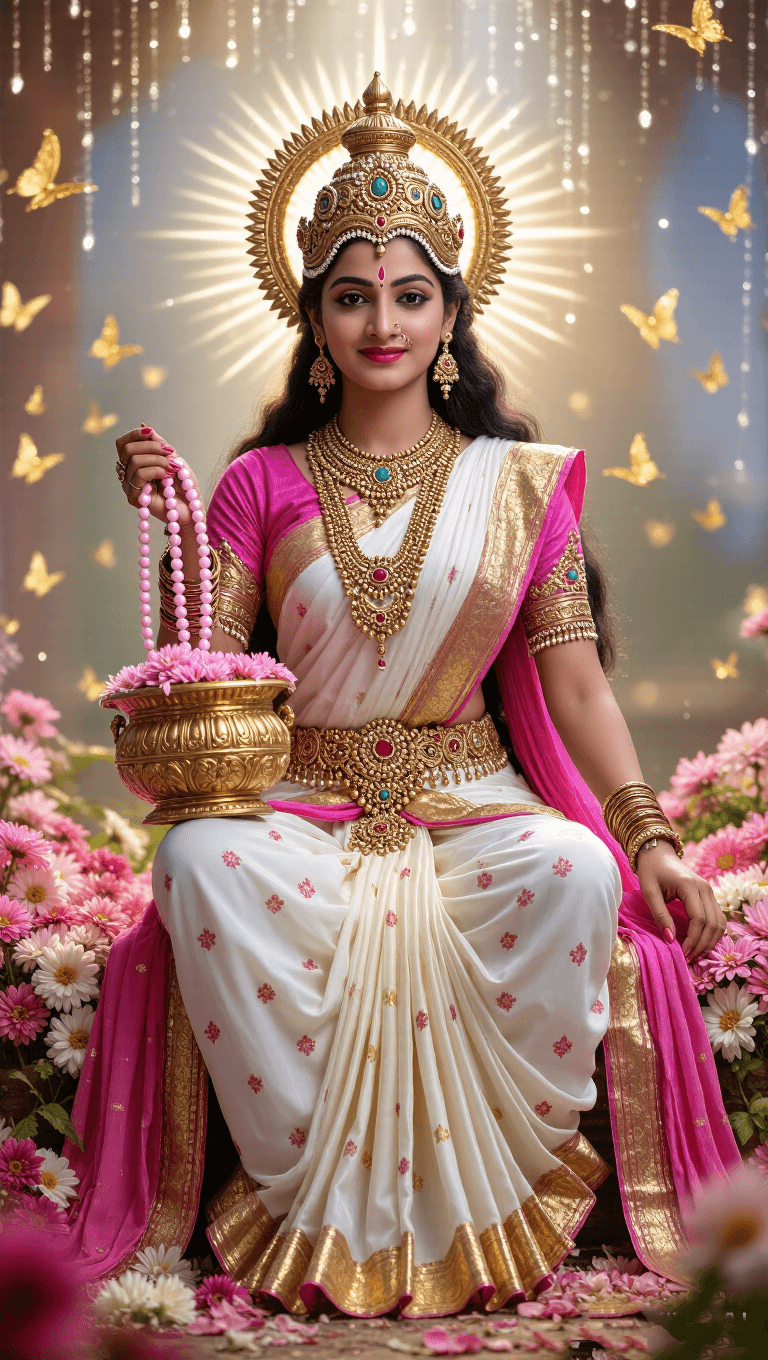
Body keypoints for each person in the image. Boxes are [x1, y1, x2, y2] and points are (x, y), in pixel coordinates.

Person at [67, 75, 738, 1316]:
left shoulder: (523, 487)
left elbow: (572, 680)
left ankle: (487, 1210)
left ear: (450, 313)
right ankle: (313, 1198)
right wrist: (162, 523)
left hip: (471, 800)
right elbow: (201, 672)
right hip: (303, 808)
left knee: (575, 875)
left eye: (410, 295)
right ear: (312, 315)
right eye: (353, 295)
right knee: (201, 869)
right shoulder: (257, 483)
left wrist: (648, 837)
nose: (383, 321)